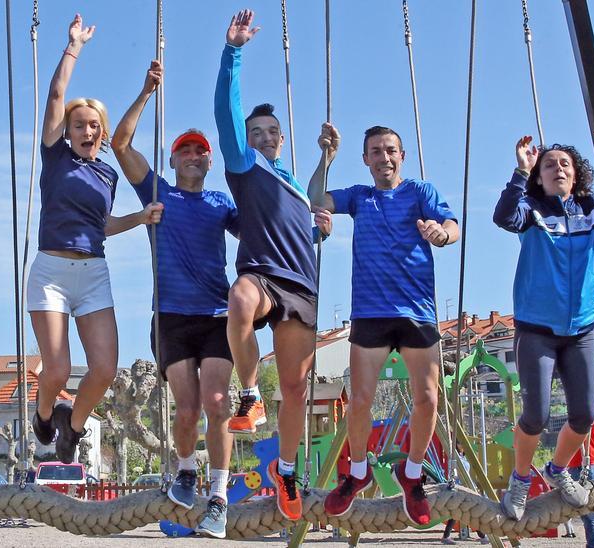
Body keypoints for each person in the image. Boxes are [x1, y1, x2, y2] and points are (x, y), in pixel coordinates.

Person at [111, 59, 252, 538]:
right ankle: (187, 469)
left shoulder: (222, 205)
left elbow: (261, 233)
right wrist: (147, 91)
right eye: (185, 149)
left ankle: (217, 495)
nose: (193, 154)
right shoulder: (158, 193)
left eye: (200, 150)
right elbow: (121, 145)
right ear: (173, 161)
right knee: (186, 411)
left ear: (210, 162)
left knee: (217, 404)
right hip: (169, 316)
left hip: (215, 316)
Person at [28, 13, 164, 467]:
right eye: (79, 125)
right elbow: (55, 95)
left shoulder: (106, 173)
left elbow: (100, 226)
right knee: (60, 369)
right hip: (50, 271)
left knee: (105, 369)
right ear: (67, 131)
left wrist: (141, 218)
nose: (87, 131)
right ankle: (45, 414)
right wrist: (73, 47)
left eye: (93, 125)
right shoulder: (54, 158)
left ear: (102, 132)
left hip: (93, 272)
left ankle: (73, 425)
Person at [494, 127, 594, 521]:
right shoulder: (532, 211)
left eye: (564, 163)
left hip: (581, 330)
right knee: (536, 415)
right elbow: (503, 217)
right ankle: (520, 479)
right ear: (539, 176)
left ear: (575, 173)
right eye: (548, 165)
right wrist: (519, 172)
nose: (557, 168)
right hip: (537, 331)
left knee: (584, 414)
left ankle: (559, 469)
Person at [310, 121, 460, 526]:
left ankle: (411, 473)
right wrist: (327, 157)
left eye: (390, 150)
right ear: (366, 160)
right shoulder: (360, 198)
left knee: (428, 398)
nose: (384, 157)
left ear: (402, 155)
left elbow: (453, 227)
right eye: (376, 151)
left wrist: (439, 235)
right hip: (371, 312)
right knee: (359, 400)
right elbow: (313, 198)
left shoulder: (420, 192)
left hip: (417, 312)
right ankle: (357, 471)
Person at [214, 9, 324, 521]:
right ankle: (251, 394)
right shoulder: (246, 165)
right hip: (262, 276)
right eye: (255, 131)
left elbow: (311, 221)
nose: (262, 137)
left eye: (270, 131)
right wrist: (233, 53)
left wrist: (318, 222)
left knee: (298, 388)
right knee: (239, 297)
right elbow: (225, 116)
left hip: (302, 286)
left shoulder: (295, 185)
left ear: (281, 137)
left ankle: (285, 471)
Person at [569, 407, 594, 548]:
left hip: (588, 465)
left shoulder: (590, 410)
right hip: (575, 465)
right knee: (585, 514)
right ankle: (593, 545)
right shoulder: (575, 413)